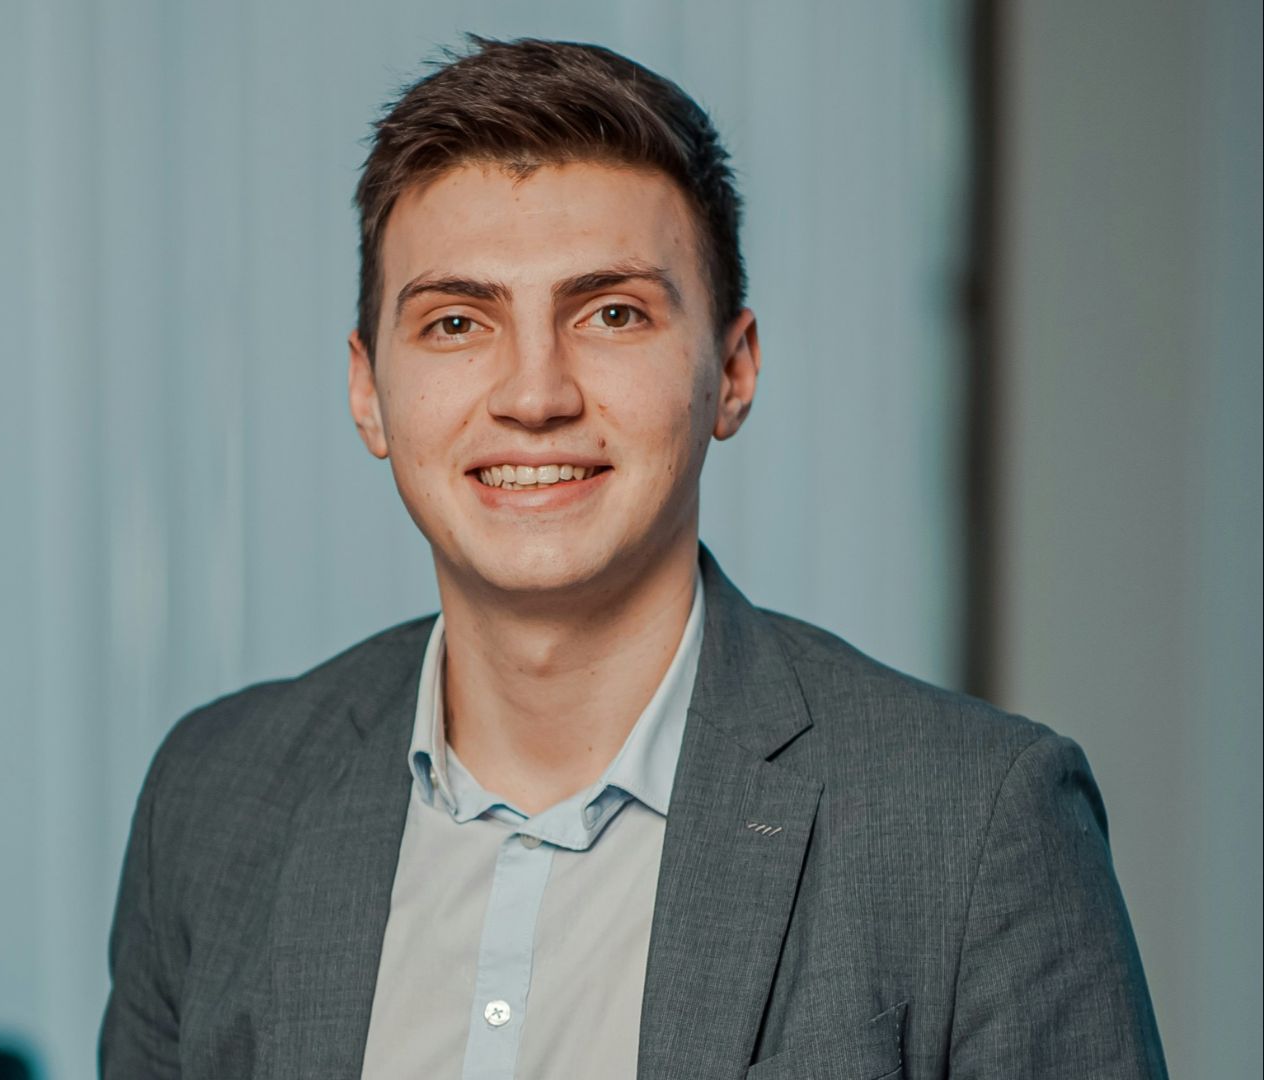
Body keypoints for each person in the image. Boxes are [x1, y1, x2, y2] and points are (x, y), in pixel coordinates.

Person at [99, 36, 1166, 1079]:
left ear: (733, 371)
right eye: (457, 321)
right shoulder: (215, 799)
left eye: (612, 313)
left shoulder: (976, 825)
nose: (534, 394)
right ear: (368, 390)